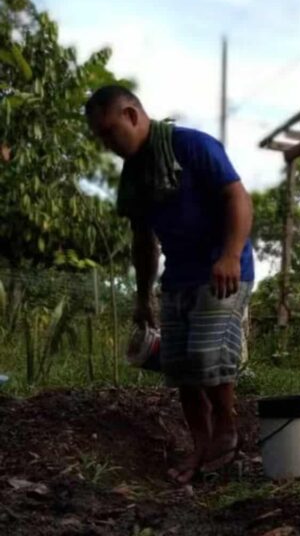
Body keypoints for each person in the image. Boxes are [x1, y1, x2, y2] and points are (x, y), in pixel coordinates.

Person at [85, 85, 255, 485]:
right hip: (178, 276)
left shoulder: (192, 146)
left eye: (110, 131)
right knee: (178, 367)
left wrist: (229, 254)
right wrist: (143, 297)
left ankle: (227, 431)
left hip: (223, 268)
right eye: (100, 138)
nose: (108, 143)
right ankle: (200, 444)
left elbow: (238, 198)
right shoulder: (135, 176)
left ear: (131, 114)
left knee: (205, 356)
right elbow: (144, 241)